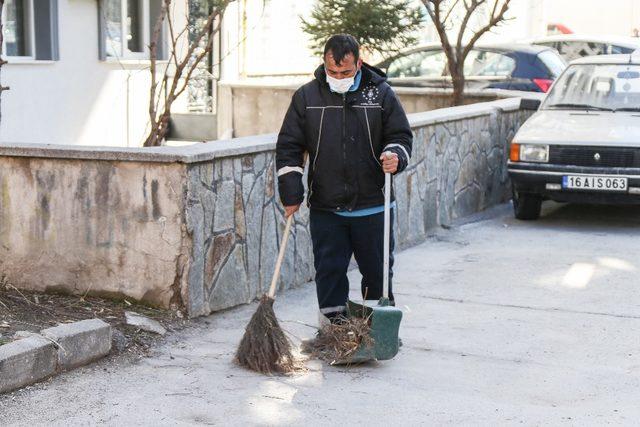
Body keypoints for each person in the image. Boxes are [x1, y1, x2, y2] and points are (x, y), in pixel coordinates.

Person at [276, 34, 412, 323]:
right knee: (329, 271)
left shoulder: (381, 94)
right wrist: (291, 193)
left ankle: (376, 331)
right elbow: (289, 146)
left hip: (374, 203)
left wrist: (395, 155)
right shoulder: (306, 97)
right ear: (324, 65)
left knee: (377, 272)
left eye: (346, 72)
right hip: (327, 206)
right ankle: (333, 333)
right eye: (332, 72)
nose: (338, 77)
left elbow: (400, 135)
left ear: (359, 63)